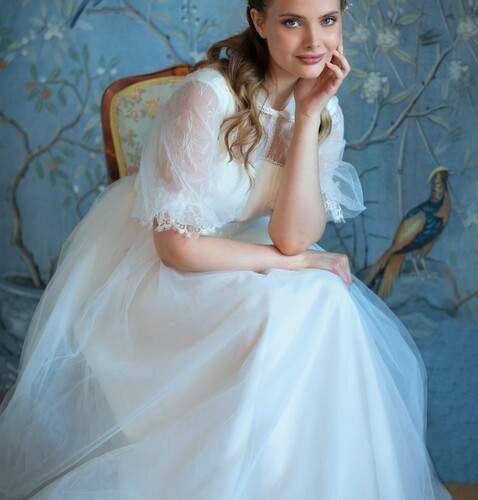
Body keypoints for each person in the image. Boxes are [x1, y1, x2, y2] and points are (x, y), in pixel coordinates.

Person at [0, 0, 453, 498]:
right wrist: (292, 262)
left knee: (326, 299)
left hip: (242, 254)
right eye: (292, 22)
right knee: (282, 309)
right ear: (259, 22)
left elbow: (293, 237)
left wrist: (307, 116)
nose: (314, 42)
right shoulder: (206, 97)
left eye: (328, 20)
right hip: (160, 275)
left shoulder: (323, 107)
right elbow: (177, 248)